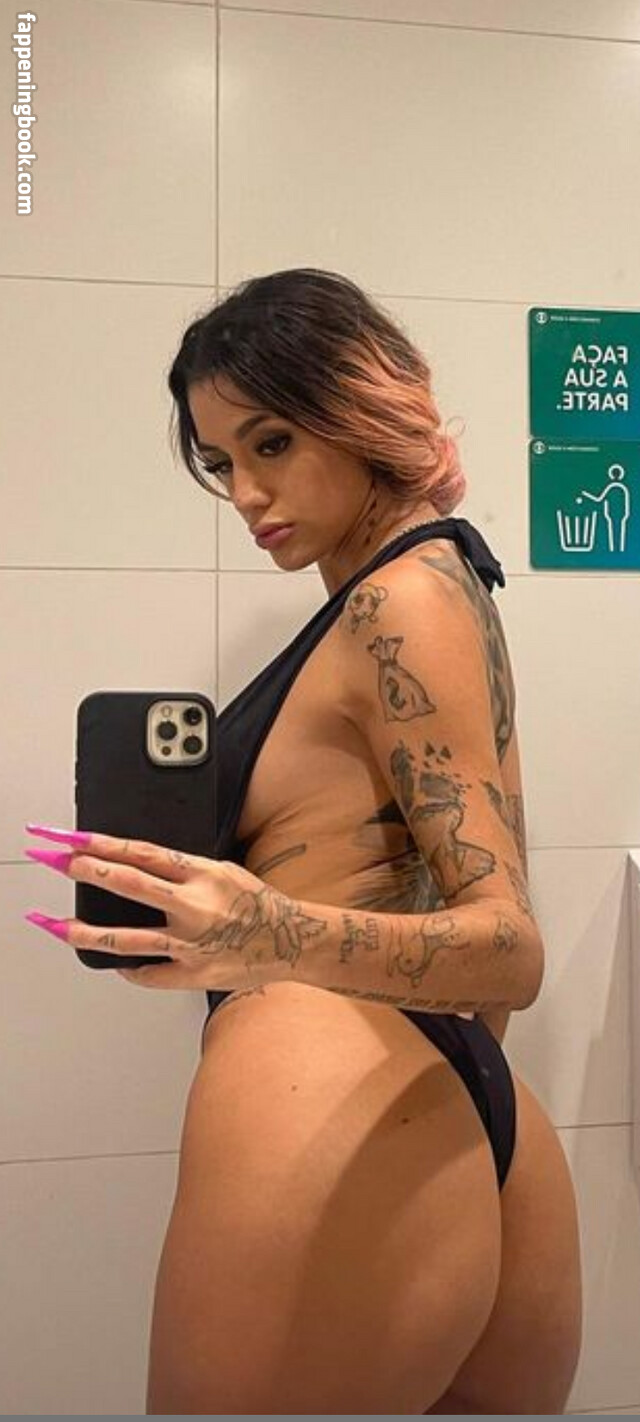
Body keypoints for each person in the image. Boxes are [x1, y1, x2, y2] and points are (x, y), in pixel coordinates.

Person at [26, 268, 583, 1414]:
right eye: (220, 463)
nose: (245, 493)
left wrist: (262, 932)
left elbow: (508, 948)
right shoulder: (429, 583)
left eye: (272, 443)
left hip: (325, 1104)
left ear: (356, 405)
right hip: (447, 1105)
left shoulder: (399, 603)